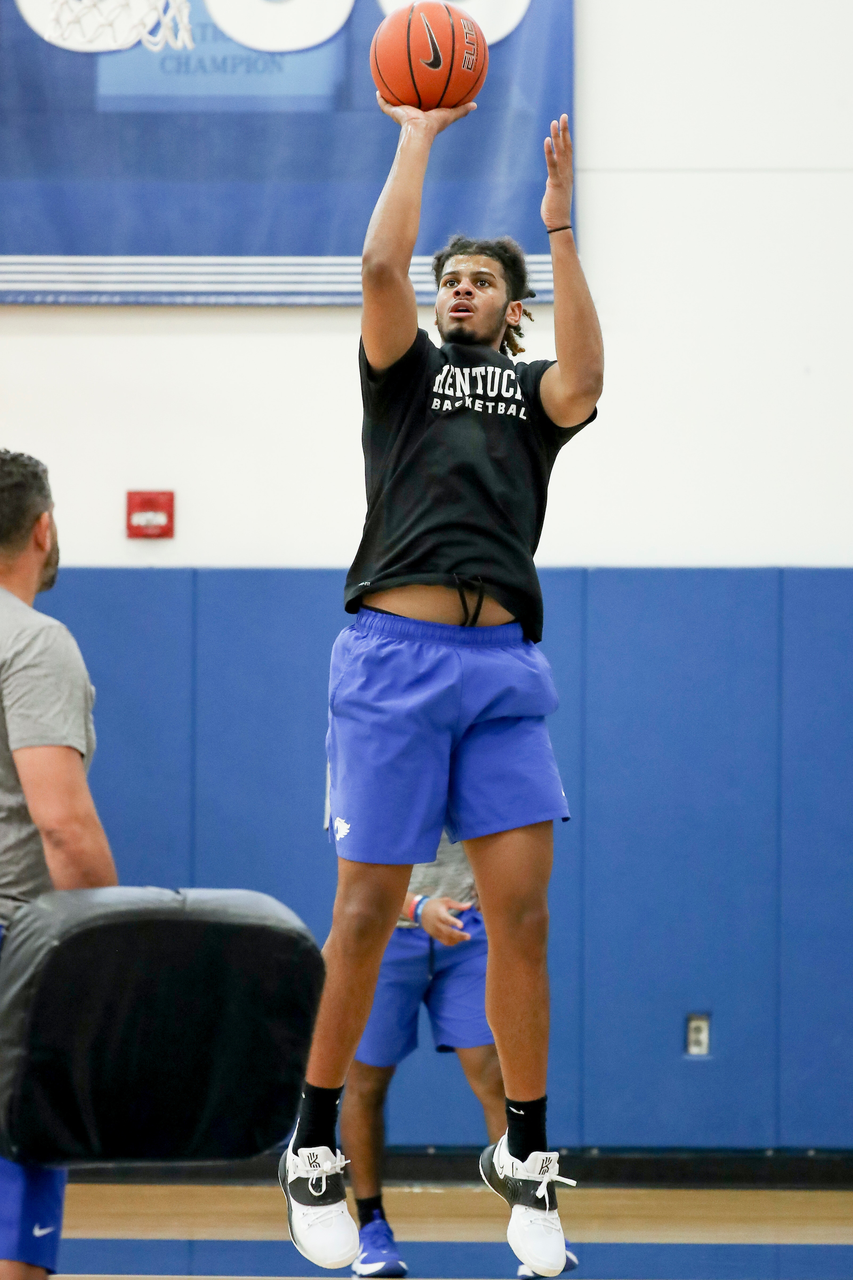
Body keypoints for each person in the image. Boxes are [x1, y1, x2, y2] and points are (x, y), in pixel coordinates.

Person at [279, 97, 603, 1279]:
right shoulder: (404, 375)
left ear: (510, 309)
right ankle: (313, 1141)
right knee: (366, 909)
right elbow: (379, 266)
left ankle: (527, 1158)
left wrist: (558, 226)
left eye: (479, 281)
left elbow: (586, 374)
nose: (457, 289)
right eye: (449, 279)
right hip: (392, 661)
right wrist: (417, 134)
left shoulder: (531, 396)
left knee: (524, 915)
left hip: (503, 667)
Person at [341, 834, 580, 1280]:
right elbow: (353, 871)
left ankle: (533, 1217)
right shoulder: (357, 782)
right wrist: (416, 907)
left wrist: (499, 890)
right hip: (385, 933)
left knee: (497, 1079)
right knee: (365, 1084)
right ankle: (372, 1228)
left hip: (468, 931)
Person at [0, 450, 118, 1280]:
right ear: (42, 529)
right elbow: (65, 829)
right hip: (13, 942)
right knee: (21, 1150)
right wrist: (118, 955)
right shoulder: (34, 643)